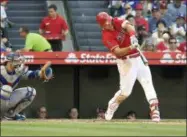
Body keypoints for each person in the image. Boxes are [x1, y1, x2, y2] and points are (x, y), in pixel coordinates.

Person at [96, 12, 160, 122]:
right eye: (107, 24)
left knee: (147, 83)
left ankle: (155, 110)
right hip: (125, 62)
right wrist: (131, 47)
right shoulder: (106, 36)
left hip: (138, 57)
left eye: (109, 21)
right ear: (102, 25)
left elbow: (129, 26)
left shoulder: (115, 21)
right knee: (125, 92)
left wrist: (133, 36)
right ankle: (112, 104)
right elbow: (118, 52)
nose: (110, 24)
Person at [0, 52, 53, 120]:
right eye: (17, 60)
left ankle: (10, 115)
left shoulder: (19, 72)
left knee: (31, 92)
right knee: (6, 89)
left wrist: (41, 73)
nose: (19, 62)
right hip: (3, 96)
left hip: (6, 100)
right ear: (9, 61)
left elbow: (32, 74)